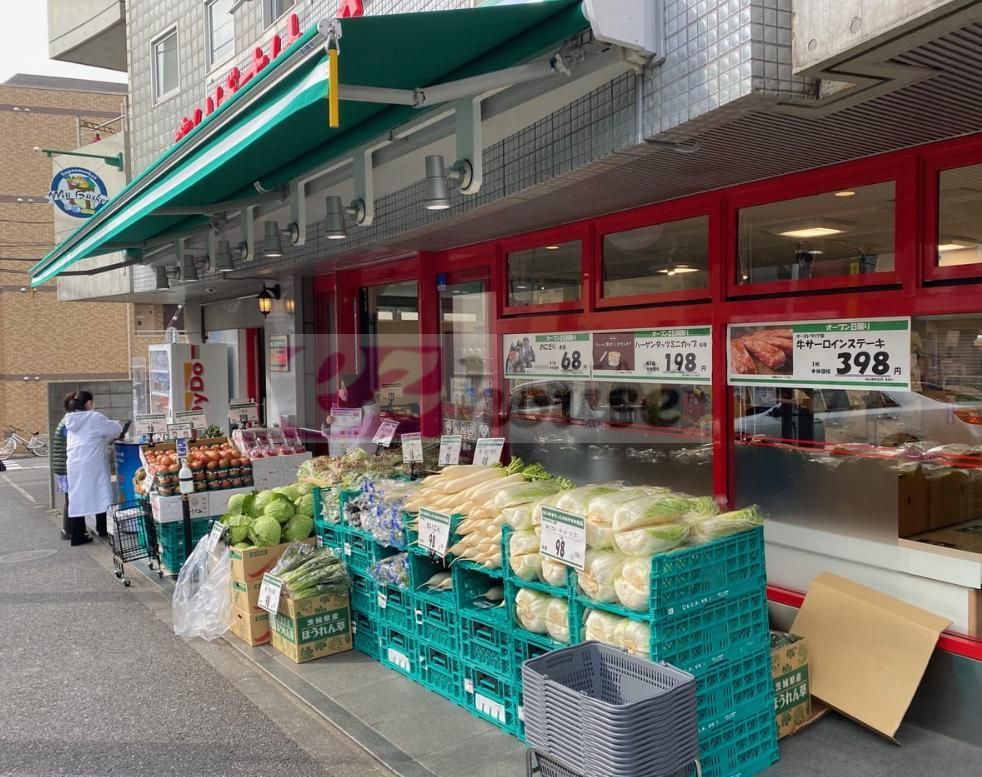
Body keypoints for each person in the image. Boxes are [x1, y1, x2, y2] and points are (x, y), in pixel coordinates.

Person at [64, 391, 122, 545]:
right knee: (101, 493)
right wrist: (117, 424)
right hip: (92, 462)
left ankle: (77, 536)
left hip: (74, 463)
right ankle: (103, 529)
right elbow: (115, 430)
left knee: (77, 498)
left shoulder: (69, 419)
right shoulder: (94, 417)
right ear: (88, 403)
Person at [320, 375, 381, 454]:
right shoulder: (350, 405)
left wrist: (346, 453)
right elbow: (334, 432)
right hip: (345, 456)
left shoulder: (370, 412)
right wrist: (327, 423)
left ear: (353, 389)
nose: (340, 390)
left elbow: (364, 441)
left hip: (359, 459)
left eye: (343, 387)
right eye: (340, 387)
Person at [50, 393, 76, 541]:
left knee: (70, 498)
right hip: (65, 468)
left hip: (61, 467)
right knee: (71, 499)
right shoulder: (68, 423)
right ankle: (67, 530)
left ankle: (68, 530)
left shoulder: (66, 420)